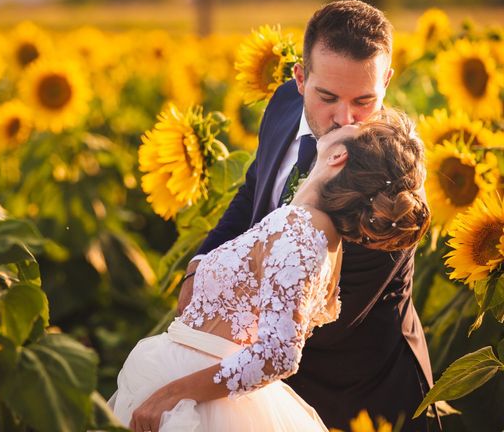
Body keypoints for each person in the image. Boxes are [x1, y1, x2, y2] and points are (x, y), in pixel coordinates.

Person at [177, 0, 440, 431]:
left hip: (360, 396)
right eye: (327, 97)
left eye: (364, 100)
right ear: (300, 78)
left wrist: (211, 314)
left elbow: (326, 321)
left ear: (387, 82)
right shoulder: (282, 105)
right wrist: (198, 265)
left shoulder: (393, 179)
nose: (345, 118)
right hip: (257, 386)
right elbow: (252, 194)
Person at [108, 108, 431, 432]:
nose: (348, 119)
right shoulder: (312, 229)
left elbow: (279, 355)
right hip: (200, 383)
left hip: (201, 405)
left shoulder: (302, 232)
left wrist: (173, 394)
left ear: (337, 157)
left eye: (356, 129)